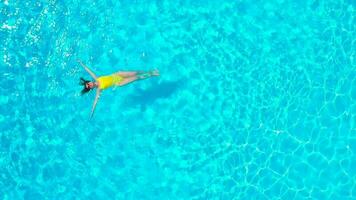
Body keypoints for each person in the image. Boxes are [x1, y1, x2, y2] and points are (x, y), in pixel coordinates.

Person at [78, 60, 159, 118]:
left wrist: (82, 64)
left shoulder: (96, 78)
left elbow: (90, 71)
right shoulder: (99, 89)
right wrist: (92, 111)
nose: (90, 84)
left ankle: (148, 71)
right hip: (119, 82)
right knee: (136, 78)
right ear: (91, 88)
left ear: (89, 82)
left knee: (135, 73)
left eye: (88, 83)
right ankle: (152, 74)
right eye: (89, 86)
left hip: (118, 74)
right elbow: (95, 101)